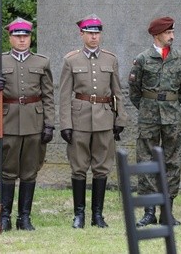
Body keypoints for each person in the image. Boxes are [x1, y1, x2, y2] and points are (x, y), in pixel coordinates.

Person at [0, 18, 54, 232]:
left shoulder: (41, 62)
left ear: (30, 38)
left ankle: (24, 217)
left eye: (25, 36)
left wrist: (49, 123)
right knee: (7, 170)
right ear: (10, 38)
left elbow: (48, 96)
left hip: (34, 121)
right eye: (18, 36)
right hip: (10, 122)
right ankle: (4, 216)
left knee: (29, 171)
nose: (22, 40)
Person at [59, 14, 128, 229]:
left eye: (97, 33)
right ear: (82, 34)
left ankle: (98, 215)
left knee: (102, 168)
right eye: (90, 33)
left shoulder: (110, 59)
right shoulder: (71, 60)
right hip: (79, 119)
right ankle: (79, 214)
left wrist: (120, 118)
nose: (94, 37)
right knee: (79, 168)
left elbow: (118, 91)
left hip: (105, 118)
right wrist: (66, 124)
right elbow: (63, 94)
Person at [128, 16, 181, 227]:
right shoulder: (142, 59)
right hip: (149, 118)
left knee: (172, 162)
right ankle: (149, 211)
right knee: (146, 161)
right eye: (168, 33)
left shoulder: (180, 59)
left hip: (172, 117)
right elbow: (134, 92)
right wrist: (149, 107)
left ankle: (167, 211)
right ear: (157, 35)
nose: (172, 36)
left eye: (173, 32)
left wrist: (169, 104)